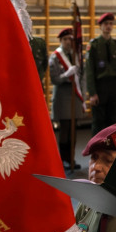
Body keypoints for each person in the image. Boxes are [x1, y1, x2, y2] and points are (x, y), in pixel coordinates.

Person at [49, 27, 86, 169]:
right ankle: (63, 160)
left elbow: (82, 76)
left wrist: (83, 95)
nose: (68, 42)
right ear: (60, 40)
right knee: (65, 129)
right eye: (65, 39)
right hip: (62, 97)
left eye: (70, 39)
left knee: (73, 130)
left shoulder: (76, 56)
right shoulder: (55, 57)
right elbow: (54, 80)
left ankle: (71, 159)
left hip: (74, 96)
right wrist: (66, 75)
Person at [84, 12, 116, 134]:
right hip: (100, 86)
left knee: (112, 121)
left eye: (111, 24)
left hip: (113, 86)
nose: (108, 26)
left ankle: (110, 147)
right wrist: (92, 93)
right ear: (100, 26)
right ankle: (97, 146)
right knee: (98, 122)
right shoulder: (94, 45)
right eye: (106, 24)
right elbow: (89, 71)